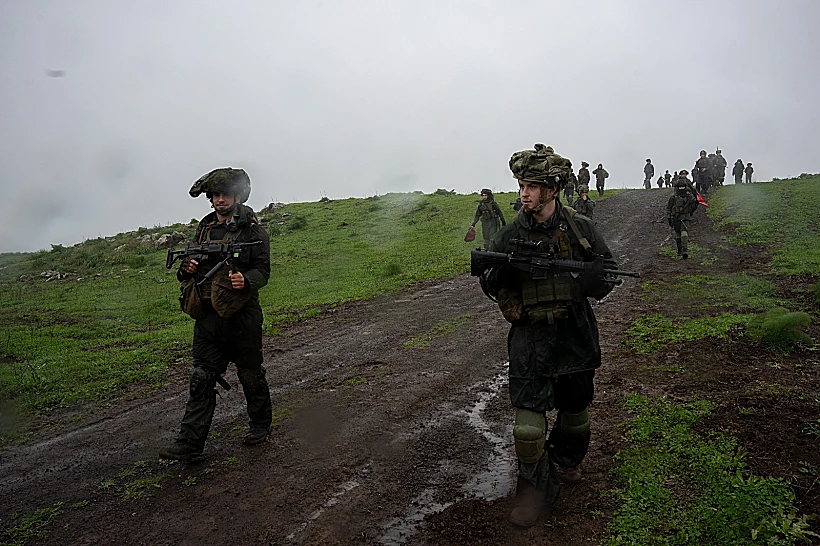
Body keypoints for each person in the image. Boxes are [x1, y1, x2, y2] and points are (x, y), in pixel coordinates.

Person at [478, 146, 616, 527]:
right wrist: (502, 275)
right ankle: (533, 493)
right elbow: (488, 280)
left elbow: (609, 271)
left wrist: (594, 280)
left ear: (553, 189)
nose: (524, 193)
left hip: (574, 331)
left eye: (533, 186)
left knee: (575, 413)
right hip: (530, 336)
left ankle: (567, 462)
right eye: (522, 185)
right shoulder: (508, 235)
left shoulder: (580, 228)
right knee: (527, 424)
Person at [159, 168, 273, 462]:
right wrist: (187, 269)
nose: (220, 200)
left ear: (236, 196)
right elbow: (188, 270)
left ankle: (260, 426)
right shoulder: (205, 228)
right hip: (208, 316)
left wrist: (246, 281)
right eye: (215, 195)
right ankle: (190, 443)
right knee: (201, 378)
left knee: (250, 374)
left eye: (225, 194)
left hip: (242, 316)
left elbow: (263, 269)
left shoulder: (253, 230)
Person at [667, 177, 697, 259]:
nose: (681, 188)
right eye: (680, 187)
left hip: (685, 217)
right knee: (678, 234)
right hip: (676, 218)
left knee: (684, 233)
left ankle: (684, 250)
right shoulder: (673, 197)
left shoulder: (689, 196)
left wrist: (693, 207)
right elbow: (669, 208)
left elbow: (693, 206)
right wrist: (669, 217)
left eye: (682, 186)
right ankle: (680, 250)